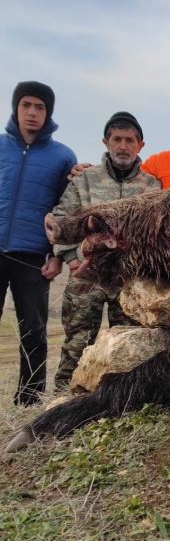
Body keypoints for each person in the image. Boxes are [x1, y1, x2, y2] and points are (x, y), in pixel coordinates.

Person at [51, 112, 160, 391]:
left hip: (129, 281)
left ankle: (117, 400)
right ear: (105, 142)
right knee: (77, 342)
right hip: (86, 277)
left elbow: (158, 233)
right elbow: (62, 219)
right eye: (117, 139)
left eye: (129, 140)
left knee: (128, 343)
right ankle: (63, 397)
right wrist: (71, 258)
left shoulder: (152, 187)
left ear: (140, 145)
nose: (123, 146)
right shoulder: (83, 181)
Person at [0, 81, 76, 405]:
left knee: (33, 330)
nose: (32, 113)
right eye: (26, 105)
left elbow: (65, 212)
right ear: (16, 108)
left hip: (33, 257)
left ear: (49, 113)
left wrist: (57, 256)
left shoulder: (63, 157)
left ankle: (28, 401)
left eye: (40, 107)